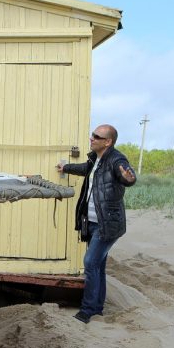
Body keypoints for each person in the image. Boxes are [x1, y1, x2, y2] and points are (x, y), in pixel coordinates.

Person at [57, 123, 136, 324]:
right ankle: (97, 307)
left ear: (108, 142)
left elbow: (126, 175)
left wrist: (129, 178)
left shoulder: (115, 159)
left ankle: (88, 310)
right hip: (91, 222)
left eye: (96, 136)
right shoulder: (95, 159)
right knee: (98, 265)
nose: (91, 138)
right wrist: (66, 167)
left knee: (90, 263)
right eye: (92, 135)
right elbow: (85, 169)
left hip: (106, 223)